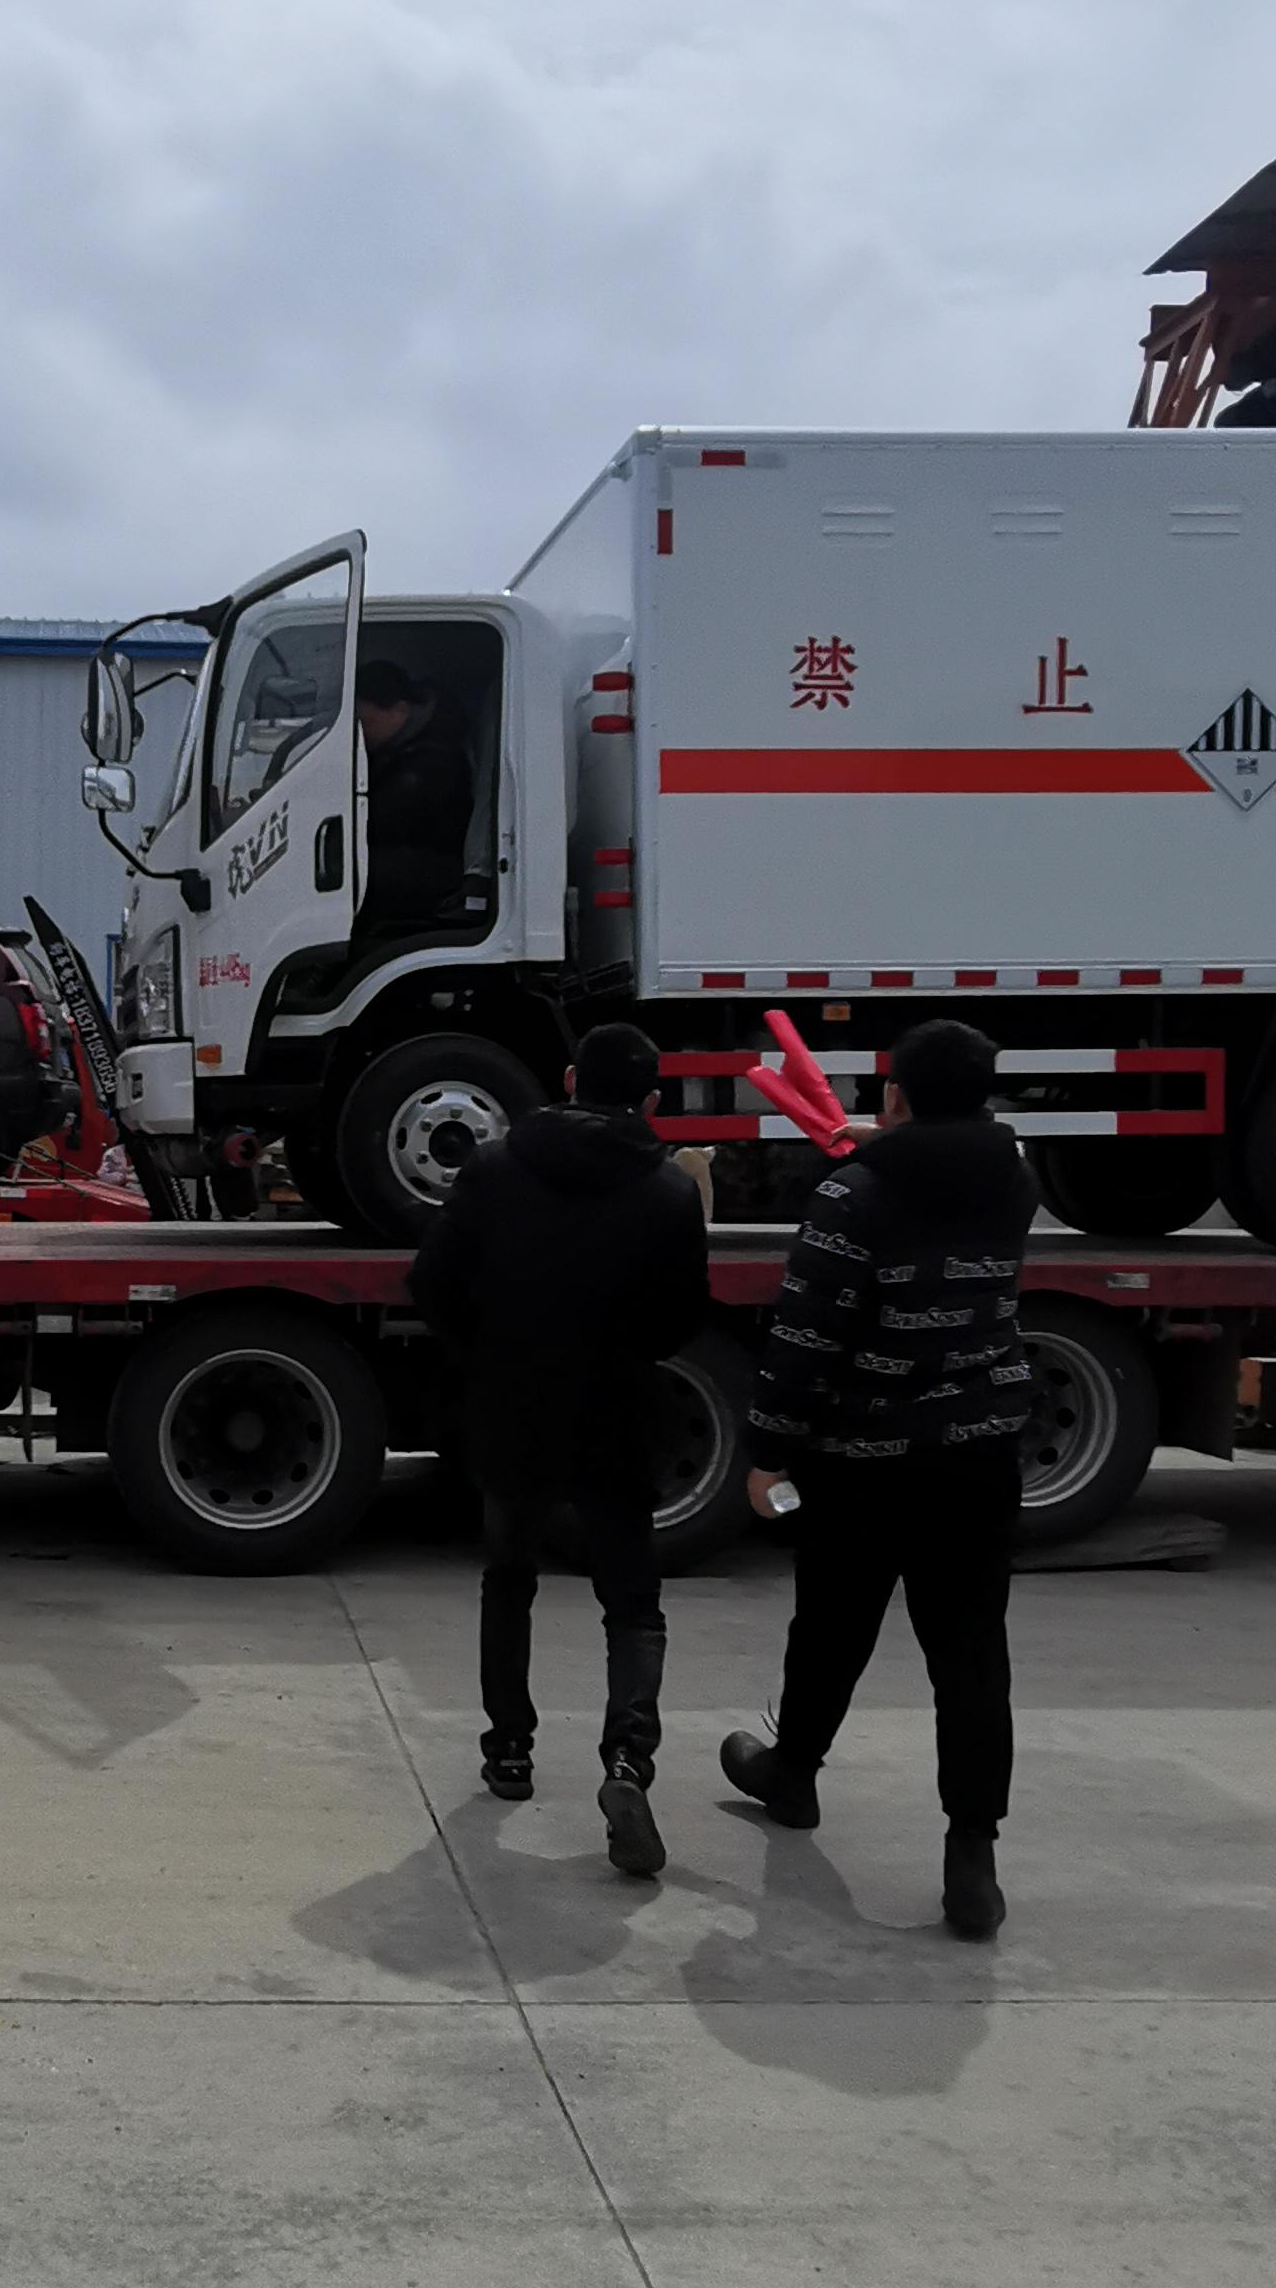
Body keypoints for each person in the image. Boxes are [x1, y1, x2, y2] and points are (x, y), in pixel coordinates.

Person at [721, 1018, 1036, 1940]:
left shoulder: (853, 1195)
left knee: (831, 1626)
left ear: (895, 1095)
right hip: (977, 1452)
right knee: (970, 1656)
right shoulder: (1014, 1180)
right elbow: (950, 1161)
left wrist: (770, 1449)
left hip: (864, 1456)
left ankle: (794, 1774)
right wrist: (887, 1145)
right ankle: (972, 1859)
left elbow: (807, 1333)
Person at [408, 1021, 710, 1874]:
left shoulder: (494, 1167)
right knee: (633, 1603)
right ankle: (628, 1763)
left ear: (571, 1080)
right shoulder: (667, 1190)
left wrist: (486, 1354)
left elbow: (431, 1282)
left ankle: (509, 1749)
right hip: (616, 1410)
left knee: (510, 1577)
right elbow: (683, 1316)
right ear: (651, 1099)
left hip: (515, 1409)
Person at [353, 656, 478, 938]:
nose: (361, 735)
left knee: (343, 866)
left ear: (400, 710)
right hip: (415, 849)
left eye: (366, 723)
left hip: (438, 863)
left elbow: (380, 821)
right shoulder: (404, 743)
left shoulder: (432, 760)